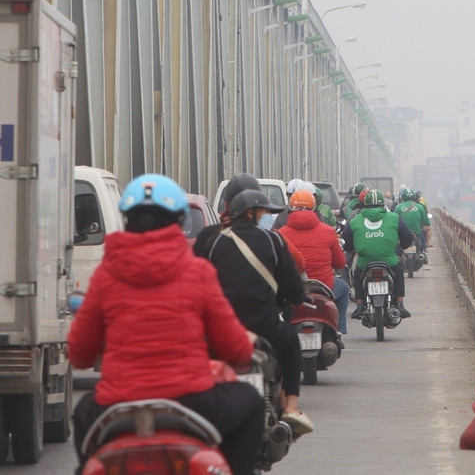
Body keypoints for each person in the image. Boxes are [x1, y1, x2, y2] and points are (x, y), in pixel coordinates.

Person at [69, 174, 262, 475]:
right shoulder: (197, 271)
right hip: (192, 401)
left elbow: (80, 353)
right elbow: (235, 350)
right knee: (252, 402)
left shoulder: (107, 275)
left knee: (82, 414)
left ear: (127, 218)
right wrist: (244, 344)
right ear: (178, 220)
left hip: (118, 402)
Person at [200, 187, 314, 436]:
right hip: (266, 327)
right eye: (263, 212)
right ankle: (291, 407)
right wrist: (296, 297)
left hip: (224, 330)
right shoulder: (273, 241)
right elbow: (293, 288)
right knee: (292, 343)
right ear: (252, 214)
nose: (266, 216)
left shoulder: (215, 242)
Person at [277, 189, 351, 335]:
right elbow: (340, 263)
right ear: (314, 208)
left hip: (292, 289)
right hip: (325, 287)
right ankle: (339, 330)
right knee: (343, 288)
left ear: (290, 209)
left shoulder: (281, 234)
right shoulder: (328, 231)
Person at [341, 189, 414, 319]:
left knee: (357, 275)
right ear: (383, 204)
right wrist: (403, 246)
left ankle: (359, 305)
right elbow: (407, 236)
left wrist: (353, 249)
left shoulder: (354, 221)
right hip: (389, 261)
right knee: (398, 273)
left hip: (364, 262)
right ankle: (400, 304)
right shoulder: (394, 218)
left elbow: (346, 241)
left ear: (364, 204)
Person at [394, 187, 431, 255]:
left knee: (396, 247)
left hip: (403, 234)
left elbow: (394, 222)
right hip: (417, 233)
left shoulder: (398, 207)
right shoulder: (420, 207)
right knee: (422, 238)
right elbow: (427, 223)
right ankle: (423, 253)